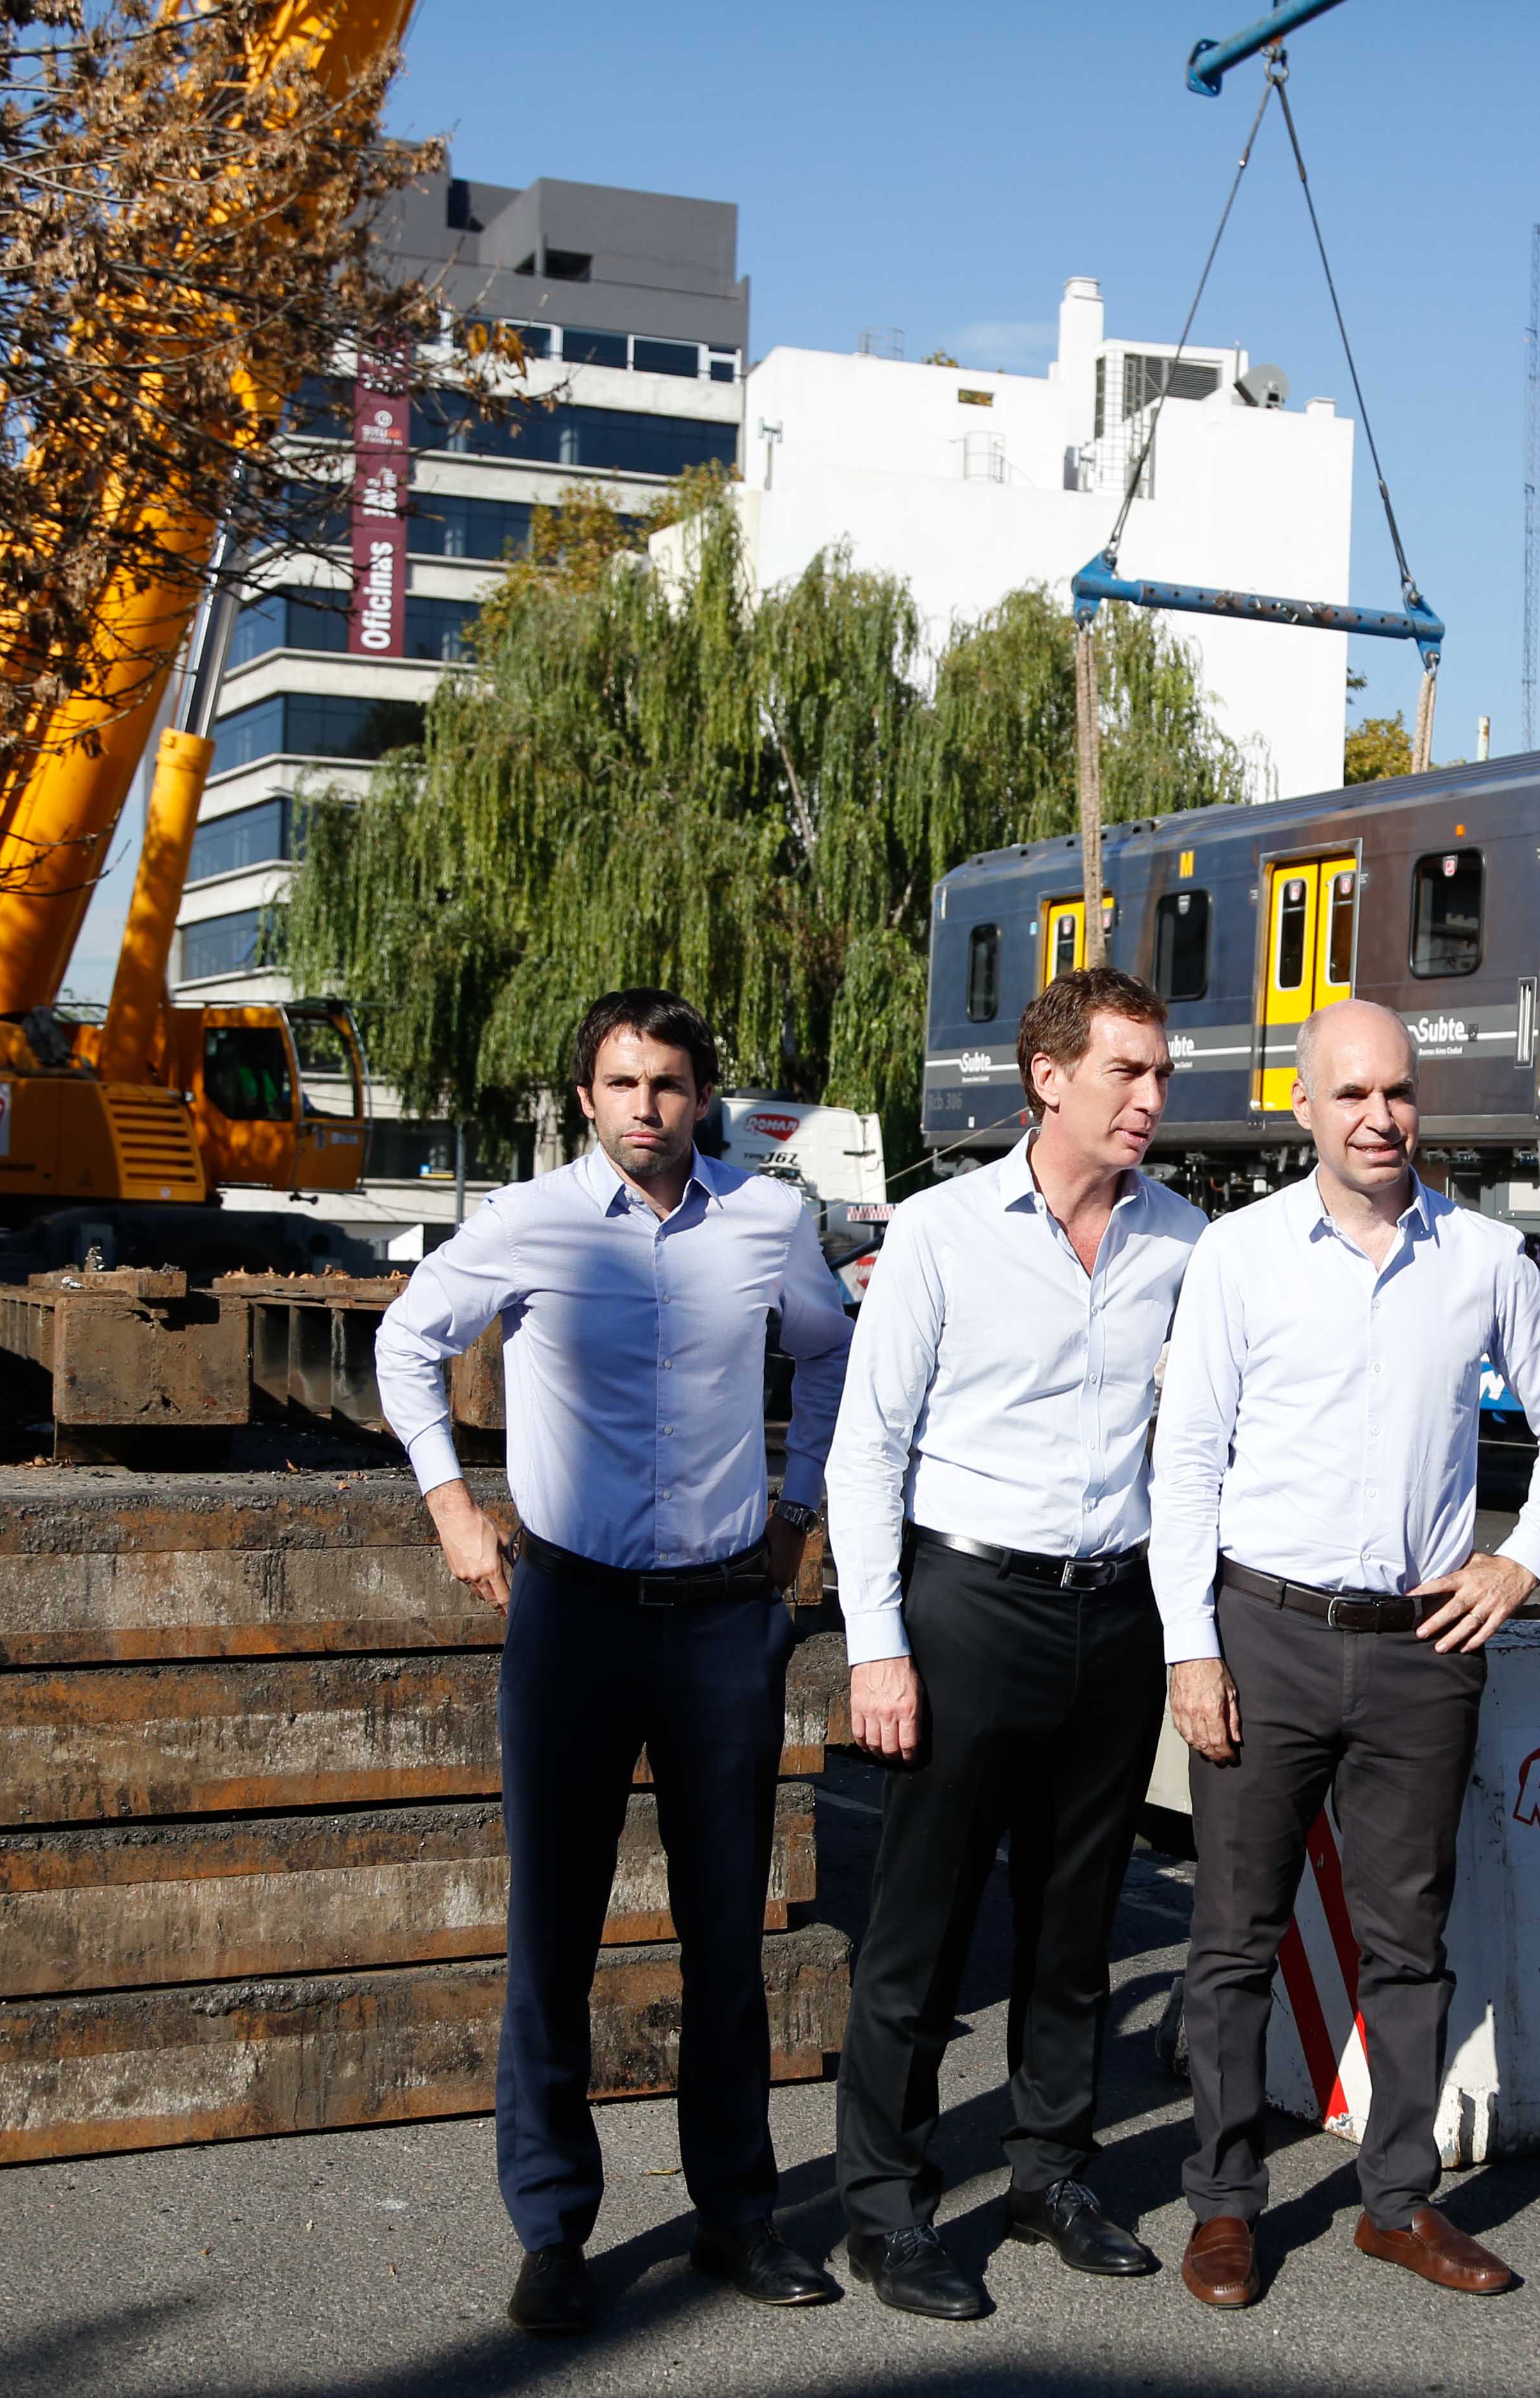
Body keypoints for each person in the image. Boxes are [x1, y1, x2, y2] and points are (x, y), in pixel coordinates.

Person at [374, 989, 854, 2337]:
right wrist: (451, 1507)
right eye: (623, 1083)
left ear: (701, 1097)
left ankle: (736, 2215)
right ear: (585, 1097)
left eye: (670, 1083)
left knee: (726, 1934)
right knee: (555, 1933)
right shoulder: (526, 1222)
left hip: (721, 1620)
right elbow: (405, 1342)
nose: (648, 1106)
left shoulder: (768, 1222)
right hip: (572, 1615)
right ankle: (553, 2229)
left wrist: (798, 1506)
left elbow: (832, 1355)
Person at [1149, 997, 1540, 2310]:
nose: (1378, 1116)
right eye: (1349, 1094)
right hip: (1264, 1635)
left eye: (1396, 1091)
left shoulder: (1485, 1258)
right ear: (1302, 1107)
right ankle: (1224, 2202)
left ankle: (1396, 2202)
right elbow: (1187, 1462)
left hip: (1419, 1650)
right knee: (1233, 1938)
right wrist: (1190, 1648)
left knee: (1407, 1941)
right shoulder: (1239, 1254)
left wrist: (1519, 1563)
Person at [822, 966, 1206, 2319]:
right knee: (918, 1933)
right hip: (968, 1607)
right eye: (1126, 1071)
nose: (1151, 1097)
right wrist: (876, 1645)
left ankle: (1051, 2175)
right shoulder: (940, 1232)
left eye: (1160, 1073)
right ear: (1049, 1078)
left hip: (1115, 1610)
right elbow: (866, 1450)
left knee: (1074, 1922)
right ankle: (885, 2210)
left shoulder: (1184, 1239)